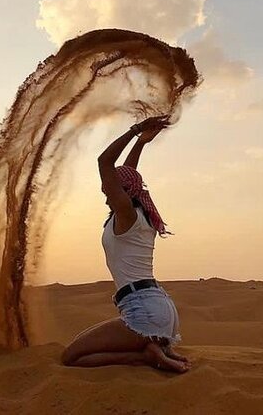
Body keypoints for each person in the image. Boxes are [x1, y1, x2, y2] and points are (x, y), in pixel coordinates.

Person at [61, 115, 190, 372]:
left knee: (71, 357)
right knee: (80, 341)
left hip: (144, 311)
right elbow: (128, 173)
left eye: (110, 188)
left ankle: (144, 356)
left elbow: (104, 162)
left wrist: (135, 130)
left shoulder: (127, 215)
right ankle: (155, 347)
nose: (104, 191)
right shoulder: (138, 216)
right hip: (157, 308)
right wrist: (141, 143)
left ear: (122, 191)